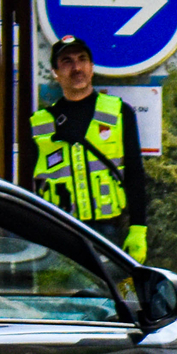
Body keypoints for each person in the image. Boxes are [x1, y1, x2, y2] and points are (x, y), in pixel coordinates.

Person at [31, 35, 148, 261]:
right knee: (64, 296)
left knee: (116, 293)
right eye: (67, 61)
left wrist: (138, 229)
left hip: (109, 233)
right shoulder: (40, 123)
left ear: (92, 67)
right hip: (60, 234)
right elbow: (31, 185)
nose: (76, 67)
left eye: (82, 59)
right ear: (55, 72)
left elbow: (135, 174)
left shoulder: (119, 112)